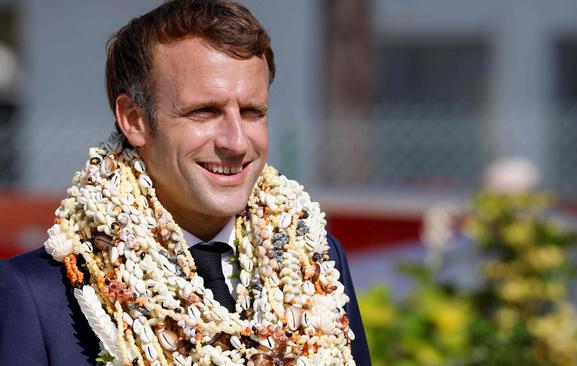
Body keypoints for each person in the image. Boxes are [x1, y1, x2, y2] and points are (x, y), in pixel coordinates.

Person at [0, 1, 371, 365]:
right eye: (204, 112)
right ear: (134, 120)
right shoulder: (40, 294)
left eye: (252, 112)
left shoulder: (315, 259)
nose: (236, 142)